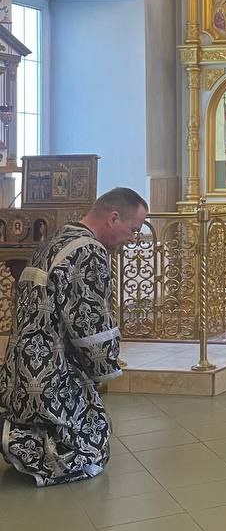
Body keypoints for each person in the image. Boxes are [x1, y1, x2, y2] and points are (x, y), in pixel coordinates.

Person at [0, 187, 148, 487]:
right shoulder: (88, 251)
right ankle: (32, 452)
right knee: (92, 447)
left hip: (22, 366)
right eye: (133, 229)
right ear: (113, 218)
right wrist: (105, 366)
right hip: (52, 369)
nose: (132, 238)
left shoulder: (57, 239)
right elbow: (90, 323)